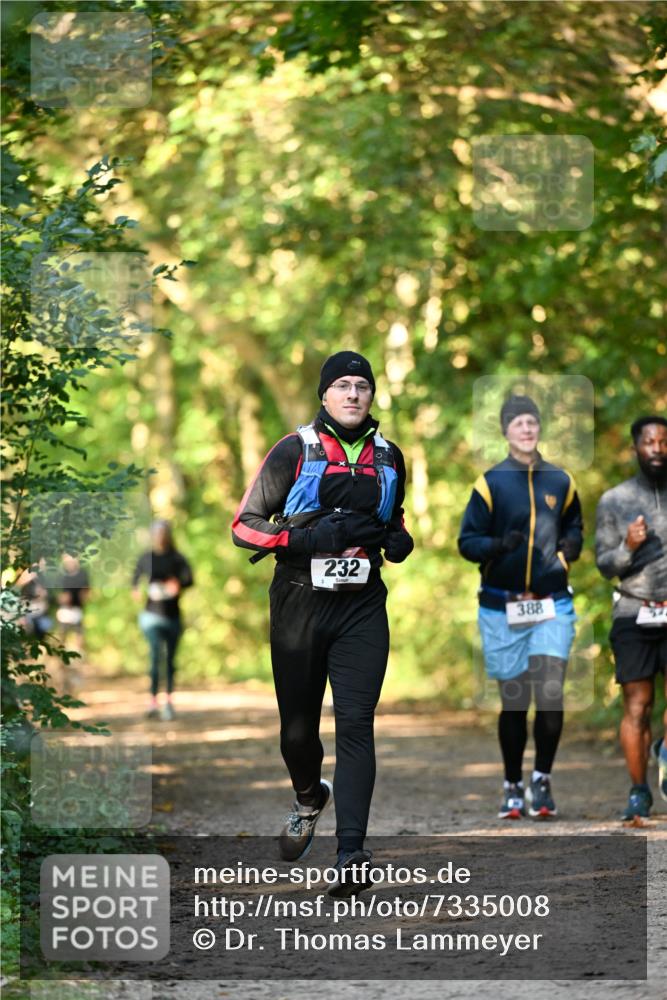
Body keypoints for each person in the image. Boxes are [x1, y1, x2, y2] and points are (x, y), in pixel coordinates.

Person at [232, 351, 413, 896]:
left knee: (356, 724)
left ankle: (352, 853)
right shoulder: (295, 450)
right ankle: (310, 796)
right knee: (298, 731)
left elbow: (396, 520)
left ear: (372, 396)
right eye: (342, 385)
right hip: (299, 603)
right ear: (325, 396)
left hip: (361, 605)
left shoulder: (390, 456)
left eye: (362, 385)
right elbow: (245, 527)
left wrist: (397, 540)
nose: (353, 394)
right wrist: (302, 539)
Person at [458, 395, 583, 820]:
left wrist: (570, 549)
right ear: (505, 431)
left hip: (552, 605)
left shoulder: (561, 481)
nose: (526, 429)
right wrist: (498, 546)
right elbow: (466, 543)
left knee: (549, 693)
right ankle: (512, 784)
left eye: (532, 422)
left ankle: (541, 780)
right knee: (515, 699)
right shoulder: (489, 482)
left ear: (539, 428)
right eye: (518, 423)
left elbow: (574, 526)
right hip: (501, 607)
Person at [595, 415, 667, 819]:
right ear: (636, 447)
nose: (657, 448)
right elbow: (605, 564)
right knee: (637, 707)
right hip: (633, 611)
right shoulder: (615, 500)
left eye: (663, 442)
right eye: (649, 442)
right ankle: (639, 790)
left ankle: (665, 751)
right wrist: (628, 545)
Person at [132, 520, 193, 721]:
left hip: (173, 616)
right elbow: (135, 578)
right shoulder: (146, 558)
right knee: (155, 656)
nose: (159, 536)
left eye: (162, 532)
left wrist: (178, 585)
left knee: (170, 660)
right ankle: (152, 702)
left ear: (168, 535)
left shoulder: (177, 558)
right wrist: (136, 590)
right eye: (156, 533)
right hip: (150, 617)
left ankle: (168, 701)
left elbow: (189, 579)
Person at [55, 553, 91, 691]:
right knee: (61, 646)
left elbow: (88, 592)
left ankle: (77, 678)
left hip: (77, 612)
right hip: (63, 614)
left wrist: (83, 596)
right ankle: (62, 679)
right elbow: (54, 595)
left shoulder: (82, 574)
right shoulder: (61, 575)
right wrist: (61, 598)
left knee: (79, 646)